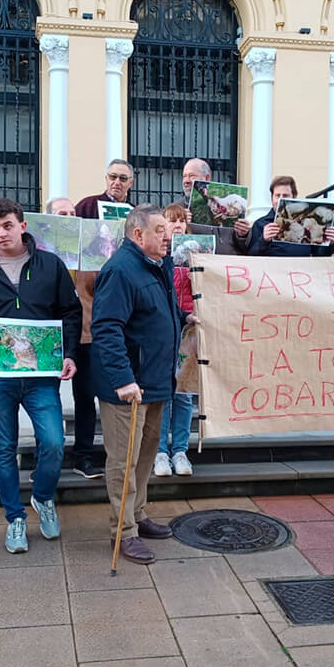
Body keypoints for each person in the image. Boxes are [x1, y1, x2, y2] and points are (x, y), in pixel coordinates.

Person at [0, 198, 82, 553]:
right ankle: (14, 517)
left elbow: (71, 312)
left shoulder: (50, 265)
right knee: (4, 448)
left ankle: (42, 497)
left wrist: (71, 353)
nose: (1, 234)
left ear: (22, 226)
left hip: (42, 374)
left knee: (54, 442)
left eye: (7, 226)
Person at [92, 204, 198, 565]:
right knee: (124, 461)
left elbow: (157, 307)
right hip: (129, 387)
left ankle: (137, 514)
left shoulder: (158, 264)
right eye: (159, 230)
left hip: (155, 381)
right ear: (138, 234)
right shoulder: (121, 270)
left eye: (167, 230)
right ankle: (123, 533)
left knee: (146, 455)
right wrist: (123, 379)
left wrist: (184, 316)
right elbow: (107, 327)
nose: (168, 236)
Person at [46, 196, 104, 479]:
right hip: (51, 335)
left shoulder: (89, 251)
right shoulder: (41, 252)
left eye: (72, 213)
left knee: (85, 398)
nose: (68, 217)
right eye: (61, 213)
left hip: (86, 334)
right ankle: (50, 457)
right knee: (47, 398)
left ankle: (83, 456)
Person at [155, 203, 196, 477]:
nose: (177, 225)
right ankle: (159, 452)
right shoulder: (158, 257)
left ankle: (180, 450)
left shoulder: (196, 253)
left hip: (190, 330)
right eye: (172, 220)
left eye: (181, 220)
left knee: (183, 393)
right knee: (163, 393)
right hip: (163, 331)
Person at [249, 176, 334, 257]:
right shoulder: (261, 224)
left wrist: (329, 243)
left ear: (293, 197)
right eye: (277, 195)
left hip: (302, 271)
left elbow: (319, 256)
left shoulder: (307, 222)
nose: (280, 199)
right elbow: (251, 256)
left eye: (285, 195)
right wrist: (264, 240)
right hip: (272, 272)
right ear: (272, 198)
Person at [179, 158, 251, 255]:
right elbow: (169, 244)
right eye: (184, 176)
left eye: (191, 176)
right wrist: (182, 224)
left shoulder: (229, 200)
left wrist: (243, 235)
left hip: (228, 264)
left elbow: (246, 247)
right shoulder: (176, 208)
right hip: (197, 265)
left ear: (207, 178)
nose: (186, 181)